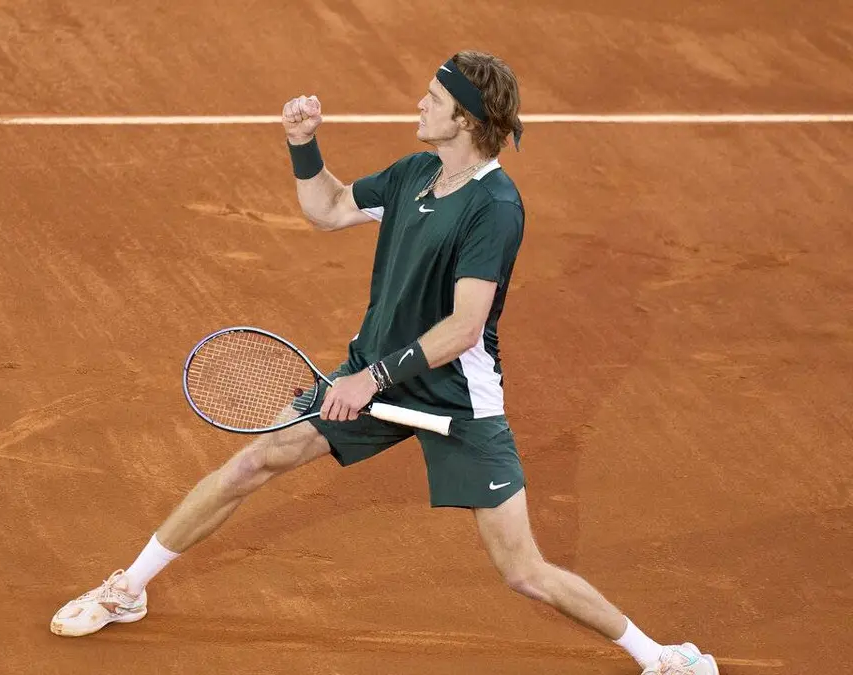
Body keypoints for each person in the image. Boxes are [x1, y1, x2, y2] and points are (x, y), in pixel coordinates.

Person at [49, 50, 719, 675]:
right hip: (372, 373)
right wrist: (302, 143)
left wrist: (370, 379)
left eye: (434, 99)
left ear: (465, 119)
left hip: (454, 400)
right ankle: (127, 589)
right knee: (254, 461)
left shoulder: (494, 207)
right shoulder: (413, 175)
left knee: (523, 571)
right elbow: (328, 207)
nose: (419, 105)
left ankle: (661, 656)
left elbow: (464, 328)